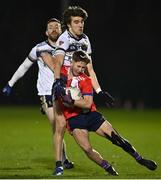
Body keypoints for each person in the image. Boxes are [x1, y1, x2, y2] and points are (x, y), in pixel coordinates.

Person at [41, 6, 115, 175]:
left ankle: (93, 151)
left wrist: (99, 91)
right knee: (59, 125)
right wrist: (57, 82)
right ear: (68, 25)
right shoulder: (63, 38)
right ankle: (59, 164)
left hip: (78, 85)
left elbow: (91, 69)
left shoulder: (85, 40)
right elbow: (58, 63)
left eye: (81, 22)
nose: (80, 25)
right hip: (64, 83)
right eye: (76, 22)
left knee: (85, 114)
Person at [59, 50, 157, 176]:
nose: (81, 69)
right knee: (87, 149)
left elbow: (88, 104)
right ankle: (109, 168)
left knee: (117, 138)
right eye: (79, 66)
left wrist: (71, 100)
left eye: (84, 67)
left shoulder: (86, 80)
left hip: (91, 114)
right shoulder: (61, 76)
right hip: (74, 118)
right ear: (71, 63)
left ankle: (140, 159)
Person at [2, 18, 74, 170]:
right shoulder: (39, 48)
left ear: (61, 30)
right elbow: (24, 66)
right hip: (47, 93)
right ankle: (63, 160)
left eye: (56, 27)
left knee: (69, 127)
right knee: (56, 125)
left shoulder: (68, 47)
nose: (54, 29)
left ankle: (65, 158)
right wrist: (10, 83)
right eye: (51, 27)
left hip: (65, 93)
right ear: (46, 32)